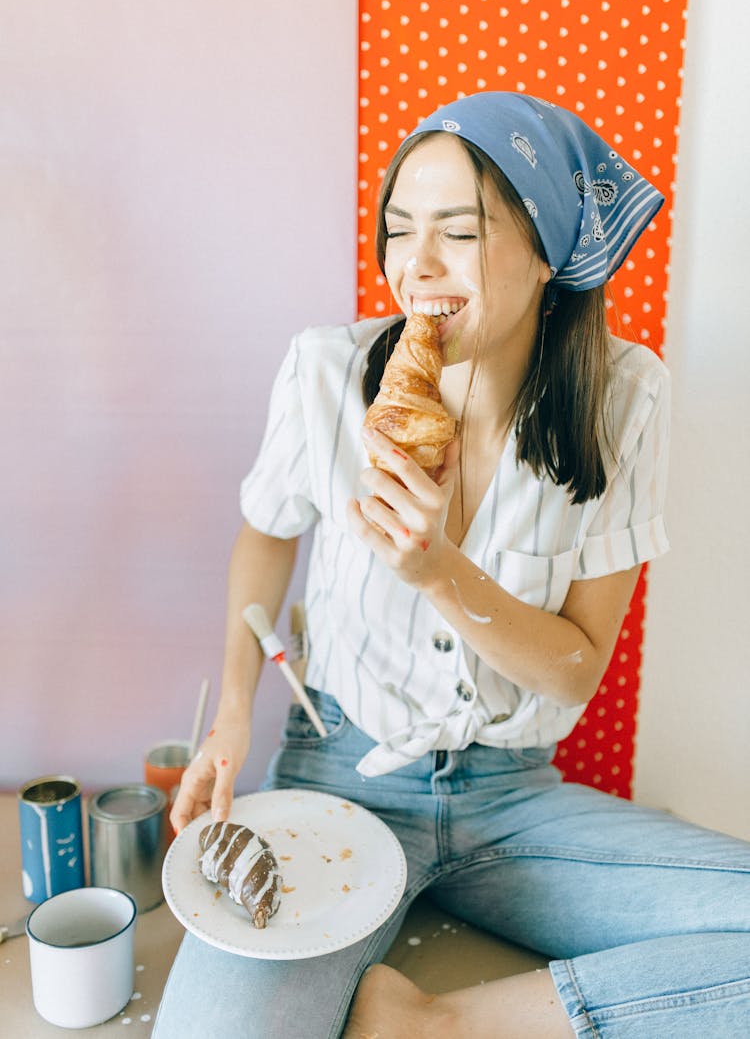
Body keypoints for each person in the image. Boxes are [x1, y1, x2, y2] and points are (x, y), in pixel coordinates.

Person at [153, 93, 750, 1038]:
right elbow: (266, 532)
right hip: (340, 780)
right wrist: (232, 714)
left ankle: (439, 1026)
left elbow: (575, 667)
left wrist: (437, 570)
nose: (414, 266)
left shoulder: (627, 402)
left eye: (458, 233)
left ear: (546, 249)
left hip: (513, 797)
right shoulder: (324, 373)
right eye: (399, 229)